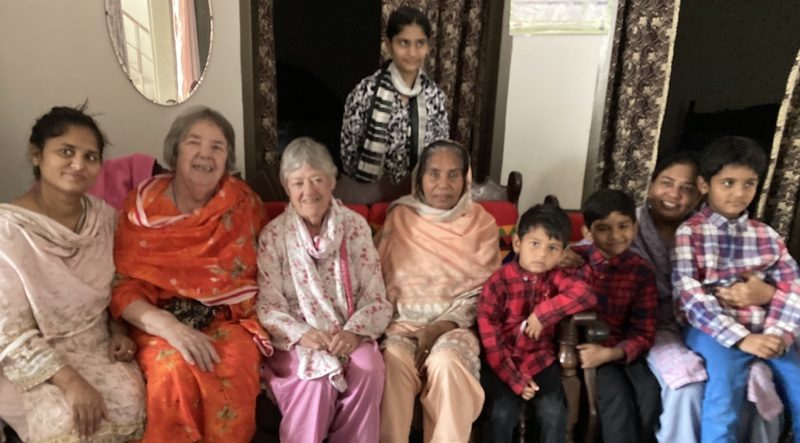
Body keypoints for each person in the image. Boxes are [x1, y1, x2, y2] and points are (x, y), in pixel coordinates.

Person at [110, 106, 271, 443]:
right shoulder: (142, 207)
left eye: (217, 146)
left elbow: (265, 271)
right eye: (194, 142)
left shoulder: (242, 203)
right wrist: (171, 329)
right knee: (172, 372)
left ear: (227, 159)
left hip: (226, 321)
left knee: (233, 370)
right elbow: (124, 288)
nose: (205, 154)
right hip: (159, 322)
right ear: (175, 150)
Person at [0, 105, 145, 442]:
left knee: (133, 401)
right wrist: (72, 382)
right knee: (68, 421)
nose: (79, 165)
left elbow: (118, 286)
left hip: (96, 346)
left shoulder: (106, 220)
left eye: (90, 156)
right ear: (37, 156)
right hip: (30, 358)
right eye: (66, 152)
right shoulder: (9, 230)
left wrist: (118, 330)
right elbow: (8, 331)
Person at [632, 151, 782, 443]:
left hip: (716, 325)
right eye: (666, 182)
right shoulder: (630, 225)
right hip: (657, 326)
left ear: (700, 189)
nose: (674, 194)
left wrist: (767, 293)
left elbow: (775, 278)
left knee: (759, 383)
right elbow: (596, 245)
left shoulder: (717, 229)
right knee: (687, 386)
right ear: (651, 185)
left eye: (686, 188)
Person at [257, 137, 392, 443]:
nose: (309, 191)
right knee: (315, 380)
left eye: (317, 179)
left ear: (332, 182)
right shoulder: (274, 236)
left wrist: (354, 332)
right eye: (298, 182)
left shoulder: (355, 226)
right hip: (297, 341)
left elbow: (375, 293)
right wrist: (303, 334)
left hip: (349, 333)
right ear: (287, 188)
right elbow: (268, 305)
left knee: (368, 367)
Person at [673, 136, 800, 443]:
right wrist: (742, 338)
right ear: (705, 185)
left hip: (769, 329)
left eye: (749, 184)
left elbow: (792, 286)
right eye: (728, 182)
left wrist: (778, 335)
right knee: (723, 396)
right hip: (714, 332)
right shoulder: (690, 232)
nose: (739, 193)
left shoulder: (767, 235)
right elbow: (690, 297)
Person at [377, 139, 500, 443]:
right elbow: (377, 278)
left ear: (466, 178)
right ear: (419, 178)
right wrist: (408, 329)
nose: (443, 184)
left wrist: (440, 328)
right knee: (393, 360)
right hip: (402, 326)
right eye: (434, 174)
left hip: (455, 328)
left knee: (447, 363)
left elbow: (487, 293)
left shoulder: (482, 224)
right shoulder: (400, 217)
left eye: (453, 174)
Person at [478, 200, 596, 443]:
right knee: (502, 413)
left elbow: (585, 294)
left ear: (564, 253)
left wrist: (544, 313)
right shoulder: (498, 282)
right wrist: (514, 378)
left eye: (552, 248)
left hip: (540, 359)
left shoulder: (556, 277)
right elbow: (490, 337)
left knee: (554, 411)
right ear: (518, 243)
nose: (542, 254)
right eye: (535, 244)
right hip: (502, 362)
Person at [571, 189, 660, 443]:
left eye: (623, 226)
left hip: (622, 350)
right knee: (616, 400)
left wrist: (615, 353)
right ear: (587, 232)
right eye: (603, 228)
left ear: (636, 226)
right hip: (585, 351)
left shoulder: (641, 271)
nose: (615, 236)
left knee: (649, 394)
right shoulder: (575, 262)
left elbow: (644, 330)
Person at [340, 6, 449, 185]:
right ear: (389, 44)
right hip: (372, 197)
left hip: (421, 197)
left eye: (420, 43)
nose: (412, 53)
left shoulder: (435, 97)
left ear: (428, 46)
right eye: (404, 43)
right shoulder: (365, 92)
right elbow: (349, 155)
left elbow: (440, 152)